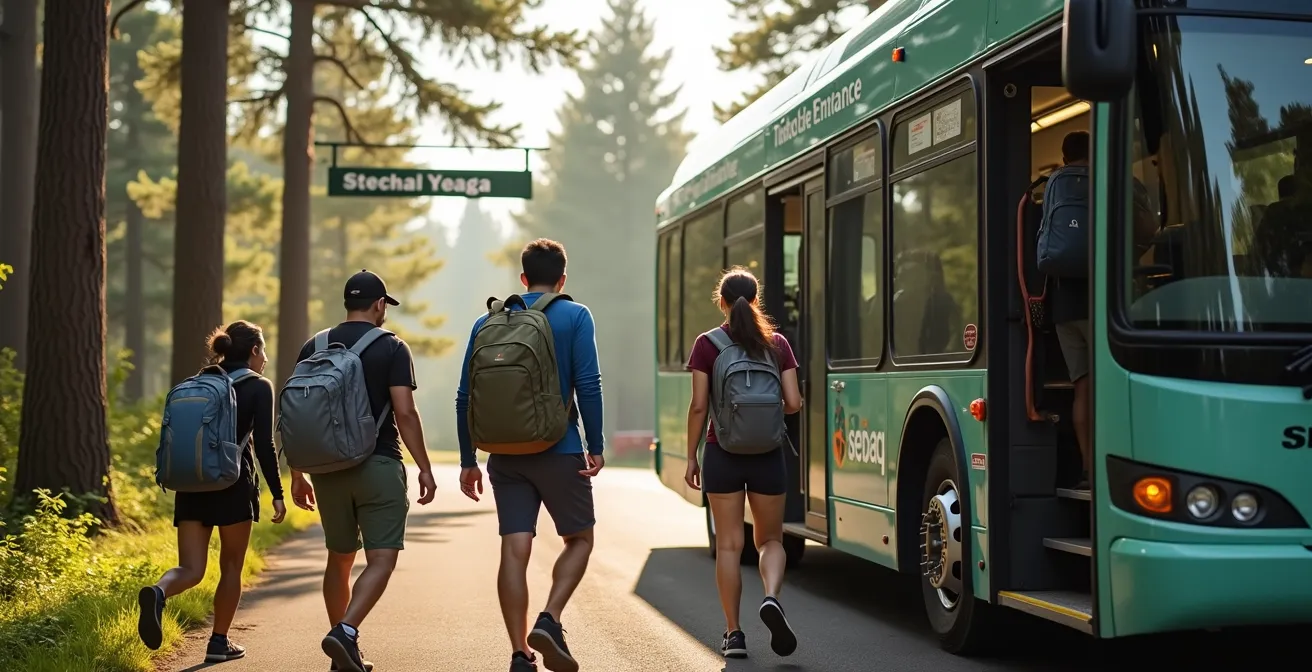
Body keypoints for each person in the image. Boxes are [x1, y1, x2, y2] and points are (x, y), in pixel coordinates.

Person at [455, 238, 605, 672]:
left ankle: (520, 653)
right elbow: (588, 385)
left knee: (514, 550)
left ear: (522, 279)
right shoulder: (575, 315)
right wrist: (594, 446)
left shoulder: (488, 322)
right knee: (579, 539)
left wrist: (469, 459)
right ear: (562, 279)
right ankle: (550, 618)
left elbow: (465, 395)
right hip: (559, 449)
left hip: (504, 455)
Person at [288, 270, 436, 672]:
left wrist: (297, 471)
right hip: (379, 464)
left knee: (339, 558)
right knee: (382, 559)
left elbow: (297, 413)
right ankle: (346, 632)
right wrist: (424, 467)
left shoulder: (313, 345)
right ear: (379, 305)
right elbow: (404, 412)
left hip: (327, 470)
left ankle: (344, 653)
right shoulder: (392, 347)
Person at [136, 321, 286, 662]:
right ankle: (219, 642)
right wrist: (277, 493)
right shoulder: (259, 386)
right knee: (231, 566)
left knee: (190, 569)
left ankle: (159, 592)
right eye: (262, 350)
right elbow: (264, 443)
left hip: (191, 484)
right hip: (233, 484)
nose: (265, 358)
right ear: (253, 350)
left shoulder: (199, 382)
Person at [683, 267, 804, 660]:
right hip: (768, 453)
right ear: (756, 301)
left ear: (721, 302)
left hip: (723, 453)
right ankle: (770, 597)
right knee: (770, 540)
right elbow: (793, 404)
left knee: (730, 546)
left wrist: (691, 455)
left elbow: (700, 405)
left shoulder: (707, 344)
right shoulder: (778, 344)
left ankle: (734, 634)